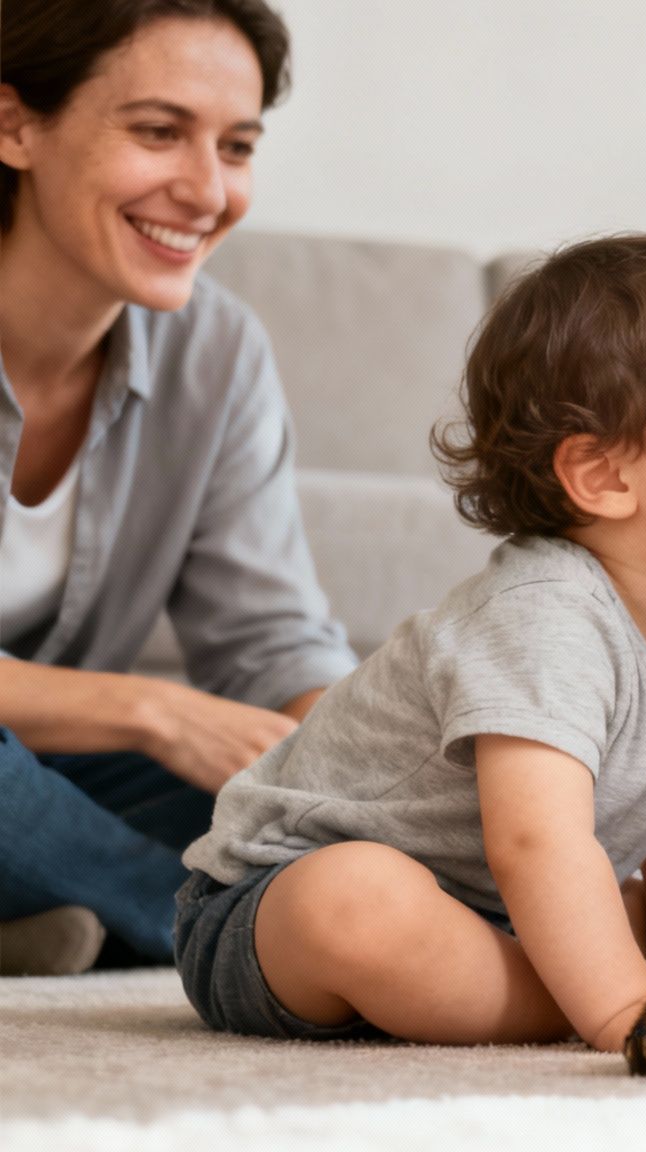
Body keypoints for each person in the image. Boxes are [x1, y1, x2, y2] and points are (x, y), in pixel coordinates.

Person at [175, 235, 646, 1051]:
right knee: (361, 898)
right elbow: (533, 841)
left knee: (605, 898)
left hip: (484, 907)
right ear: (603, 476)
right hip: (267, 911)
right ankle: (571, 998)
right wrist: (627, 1003)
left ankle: (552, 978)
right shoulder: (544, 614)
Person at [0, 0, 354, 975]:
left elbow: (269, 640)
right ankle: (241, 933)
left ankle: (78, 913)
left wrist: (367, 780)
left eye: (235, 146)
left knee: (247, 796)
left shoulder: (217, 349)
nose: (206, 190)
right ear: (14, 125)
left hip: (51, 782)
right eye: (158, 132)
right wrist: (151, 709)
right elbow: (158, 716)